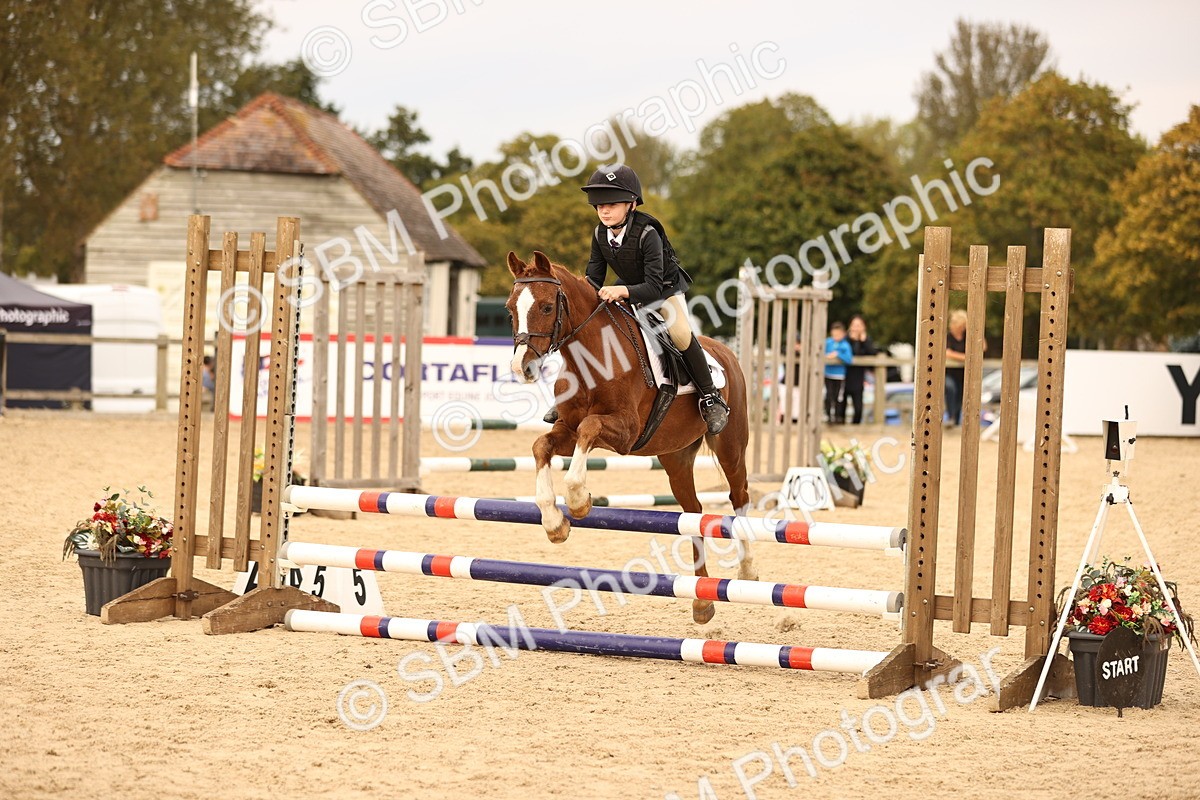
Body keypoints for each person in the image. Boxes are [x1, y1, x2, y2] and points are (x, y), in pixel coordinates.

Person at [543, 165, 729, 434]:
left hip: (664, 290)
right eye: (599, 205)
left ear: (631, 204)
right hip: (628, 288)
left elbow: (653, 285)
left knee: (679, 334)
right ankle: (568, 396)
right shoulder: (599, 234)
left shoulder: (647, 233)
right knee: (586, 330)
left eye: (611, 204)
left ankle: (711, 397)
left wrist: (621, 292)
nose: (604, 211)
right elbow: (593, 278)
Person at [944, 309, 985, 425]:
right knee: (951, 389)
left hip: (964, 373)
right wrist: (967, 357)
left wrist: (977, 331)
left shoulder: (968, 336)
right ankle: (951, 416)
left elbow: (982, 347)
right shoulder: (948, 337)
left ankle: (955, 420)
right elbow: (948, 353)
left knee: (961, 395)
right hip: (950, 373)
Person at [841, 314, 877, 424]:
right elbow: (849, 355)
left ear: (863, 327)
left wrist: (863, 341)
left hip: (858, 377)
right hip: (844, 376)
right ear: (850, 326)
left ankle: (855, 428)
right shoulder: (845, 340)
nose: (856, 328)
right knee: (841, 405)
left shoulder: (866, 340)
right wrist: (854, 340)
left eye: (859, 325)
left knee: (858, 409)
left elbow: (873, 354)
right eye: (854, 325)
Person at [823, 321, 853, 424]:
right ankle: (828, 416)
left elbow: (849, 359)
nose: (836, 336)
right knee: (828, 395)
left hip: (839, 376)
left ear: (843, 333)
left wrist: (837, 355)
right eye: (834, 334)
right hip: (828, 373)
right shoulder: (827, 343)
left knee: (837, 397)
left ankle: (836, 416)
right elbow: (821, 353)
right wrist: (827, 356)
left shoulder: (845, 345)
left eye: (838, 334)